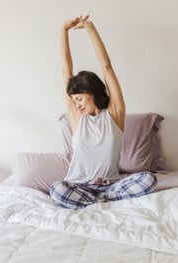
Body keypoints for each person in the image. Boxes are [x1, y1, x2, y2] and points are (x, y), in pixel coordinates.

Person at [49, 15, 157, 209]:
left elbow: (106, 67)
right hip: (78, 186)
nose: (77, 105)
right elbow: (66, 71)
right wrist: (63, 31)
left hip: (111, 186)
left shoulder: (114, 114)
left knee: (149, 179)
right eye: (74, 101)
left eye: (80, 99)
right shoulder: (77, 118)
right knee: (57, 189)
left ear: (92, 92)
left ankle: (99, 201)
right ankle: (102, 202)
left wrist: (90, 28)